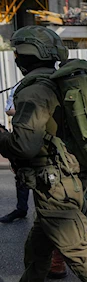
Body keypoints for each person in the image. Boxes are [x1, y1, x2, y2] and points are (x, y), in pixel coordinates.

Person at [0, 25, 87, 282]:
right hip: (68, 181)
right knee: (37, 252)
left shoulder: (34, 91)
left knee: (86, 260)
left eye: (17, 52)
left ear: (26, 55)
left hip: (55, 189)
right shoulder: (59, 80)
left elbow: (23, 145)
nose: (15, 57)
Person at [0, 82, 29, 224]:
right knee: (22, 173)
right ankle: (21, 209)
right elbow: (9, 110)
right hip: (25, 133)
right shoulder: (19, 86)